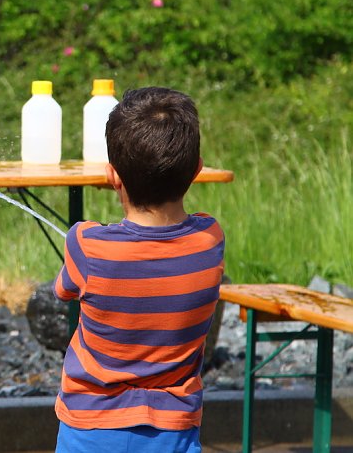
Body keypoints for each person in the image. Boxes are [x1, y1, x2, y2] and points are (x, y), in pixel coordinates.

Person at [53, 87, 225, 452]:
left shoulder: (86, 243)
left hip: (90, 427)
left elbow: (63, 289)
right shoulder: (211, 238)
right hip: (174, 431)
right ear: (197, 169)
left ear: (112, 175)